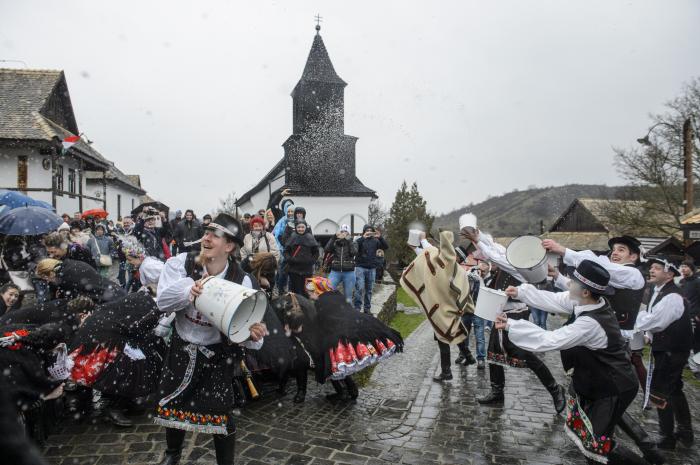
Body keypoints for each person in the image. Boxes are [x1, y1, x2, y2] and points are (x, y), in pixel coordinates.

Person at [500, 260, 646, 464]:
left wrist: (510, 325)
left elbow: (550, 340)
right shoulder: (588, 302)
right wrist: (521, 293)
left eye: (574, 282)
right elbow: (555, 299)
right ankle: (646, 450)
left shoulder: (590, 323)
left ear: (585, 292)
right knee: (592, 439)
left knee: (596, 442)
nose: (569, 284)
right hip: (601, 382)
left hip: (614, 387)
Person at [154, 213, 267, 465]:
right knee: (175, 405)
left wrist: (253, 333)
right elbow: (162, 301)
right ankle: (172, 456)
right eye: (206, 232)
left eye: (214, 235)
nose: (205, 237)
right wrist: (188, 291)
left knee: (221, 414)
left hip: (218, 356)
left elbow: (245, 329)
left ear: (229, 246)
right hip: (182, 346)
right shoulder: (181, 263)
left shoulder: (243, 280)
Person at [461, 228, 566, 414]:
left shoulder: (521, 269)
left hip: (516, 315)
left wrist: (478, 240)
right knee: (493, 353)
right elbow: (495, 248)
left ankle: (555, 389)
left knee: (525, 354)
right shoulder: (511, 259)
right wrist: (480, 239)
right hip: (500, 314)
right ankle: (497, 392)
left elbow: (498, 257)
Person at [633, 256, 694, 451]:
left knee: (661, 390)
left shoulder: (672, 296)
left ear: (669, 273)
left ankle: (667, 437)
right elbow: (655, 319)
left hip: (672, 349)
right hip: (668, 347)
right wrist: (649, 330)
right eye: (651, 267)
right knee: (674, 388)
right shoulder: (659, 291)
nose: (651, 270)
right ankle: (685, 432)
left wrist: (640, 319)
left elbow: (657, 321)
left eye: (657, 268)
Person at [36, 258, 125, 304]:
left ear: (51, 273)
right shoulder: (69, 264)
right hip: (115, 291)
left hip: (108, 300)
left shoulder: (64, 279)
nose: (47, 282)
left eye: (45, 278)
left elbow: (74, 303)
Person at [354, 225, 389, 314]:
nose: (369, 232)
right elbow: (354, 246)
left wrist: (380, 237)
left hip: (371, 268)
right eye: (367, 230)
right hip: (360, 267)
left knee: (369, 290)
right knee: (360, 288)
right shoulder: (360, 240)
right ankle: (357, 308)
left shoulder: (376, 241)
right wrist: (363, 238)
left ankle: (367, 309)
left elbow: (386, 247)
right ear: (364, 231)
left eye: (371, 230)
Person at [283, 220, 319, 297]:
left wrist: (311, 261)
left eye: (302, 227)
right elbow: (286, 251)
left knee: (306, 290)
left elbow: (316, 252)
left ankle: (305, 306)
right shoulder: (292, 237)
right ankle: (296, 306)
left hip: (307, 270)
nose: (301, 229)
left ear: (306, 228)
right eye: (299, 227)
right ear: (296, 228)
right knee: (295, 290)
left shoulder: (310, 237)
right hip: (294, 269)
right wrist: (290, 259)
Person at [324, 224, 357, 303]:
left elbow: (354, 252)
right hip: (335, 271)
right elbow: (327, 249)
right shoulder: (335, 242)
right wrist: (334, 237)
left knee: (348, 298)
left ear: (348, 233)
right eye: (342, 231)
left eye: (345, 231)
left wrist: (348, 240)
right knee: (328, 290)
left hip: (349, 272)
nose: (343, 233)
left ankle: (348, 314)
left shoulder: (353, 242)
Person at [678, 260, 700, 379]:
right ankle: (687, 363)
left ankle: (696, 369)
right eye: (682, 266)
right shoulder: (681, 282)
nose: (683, 269)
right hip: (683, 315)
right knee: (684, 341)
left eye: (686, 267)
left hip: (695, 316)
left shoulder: (698, 282)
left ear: (692, 268)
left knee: (695, 343)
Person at [273, 201, 296, 294]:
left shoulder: (297, 221)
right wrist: (281, 247)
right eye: (288, 211)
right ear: (286, 211)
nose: (290, 213)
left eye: (292, 211)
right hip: (282, 249)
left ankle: (290, 289)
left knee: (292, 271)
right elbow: (276, 234)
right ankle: (280, 288)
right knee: (282, 270)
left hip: (294, 250)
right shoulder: (282, 220)